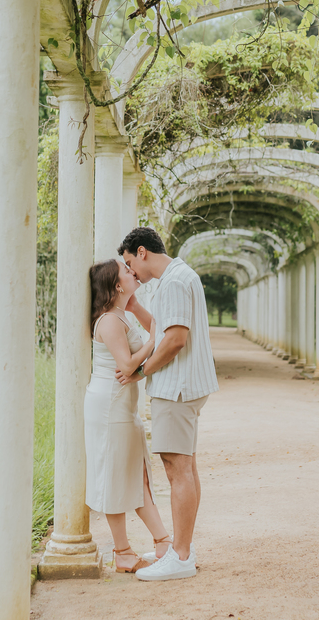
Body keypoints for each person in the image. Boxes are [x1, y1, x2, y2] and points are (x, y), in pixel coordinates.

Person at [116, 227, 219, 582]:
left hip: (177, 387)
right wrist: (136, 308)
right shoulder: (175, 277)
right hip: (185, 384)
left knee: (177, 469)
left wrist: (140, 371)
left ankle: (181, 556)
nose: (130, 272)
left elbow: (175, 340)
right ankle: (181, 548)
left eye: (130, 263)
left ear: (141, 252)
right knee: (185, 466)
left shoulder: (174, 282)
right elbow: (162, 328)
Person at [84, 259, 172, 574]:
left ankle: (163, 542)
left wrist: (139, 315)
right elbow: (126, 366)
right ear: (117, 285)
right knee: (115, 476)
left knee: (139, 474)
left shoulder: (122, 314)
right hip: (109, 407)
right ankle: (122, 551)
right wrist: (152, 344)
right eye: (125, 271)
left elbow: (155, 329)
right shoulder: (108, 320)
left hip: (123, 406)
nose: (132, 271)